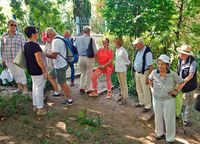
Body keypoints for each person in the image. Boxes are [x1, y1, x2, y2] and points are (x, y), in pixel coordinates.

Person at [148, 54, 185, 144]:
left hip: (168, 100)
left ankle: (170, 138)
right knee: (158, 117)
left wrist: (176, 90)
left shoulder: (172, 74)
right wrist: (152, 89)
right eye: (159, 64)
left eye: (163, 64)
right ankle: (159, 133)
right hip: (156, 99)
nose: (160, 66)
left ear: (167, 65)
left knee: (169, 119)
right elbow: (149, 79)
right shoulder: (154, 72)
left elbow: (182, 82)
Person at [45, 28, 73, 105]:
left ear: (50, 34)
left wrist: (45, 54)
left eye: (47, 36)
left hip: (60, 65)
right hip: (62, 63)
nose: (48, 37)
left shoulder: (56, 41)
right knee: (50, 75)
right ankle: (57, 91)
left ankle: (69, 100)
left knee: (62, 83)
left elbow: (54, 56)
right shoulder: (60, 38)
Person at [24, 26, 48, 115]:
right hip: (37, 70)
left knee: (35, 87)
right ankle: (40, 108)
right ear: (33, 34)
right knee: (39, 89)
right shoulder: (35, 45)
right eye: (36, 33)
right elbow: (39, 60)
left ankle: (35, 105)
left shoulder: (26, 44)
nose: (37, 34)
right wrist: (44, 70)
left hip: (31, 69)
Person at [1, 19, 28, 94]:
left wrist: (25, 58)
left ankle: (25, 89)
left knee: (21, 73)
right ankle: (19, 88)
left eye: (15, 25)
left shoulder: (20, 35)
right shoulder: (4, 36)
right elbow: (2, 48)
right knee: (14, 74)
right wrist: (3, 60)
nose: (14, 26)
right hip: (8, 59)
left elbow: (24, 47)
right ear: (8, 25)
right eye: (12, 25)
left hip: (18, 59)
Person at [177, 44, 197, 126]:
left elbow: (191, 75)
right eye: (180, 53)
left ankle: (186, 119)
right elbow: (178, 71)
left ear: (187, 54)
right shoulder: (179, 59)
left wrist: (182, 82)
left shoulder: (193, 61)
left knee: (188, 103)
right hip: (180, 83)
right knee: (178, 100)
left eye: (182, 53)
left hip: (189, 86)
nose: (180, 54)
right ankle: (177, 114)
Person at [74, 26, 97, 94]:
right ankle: (88, 89)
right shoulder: (91, 39)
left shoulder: (77, 38)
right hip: (89, 58)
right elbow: (95, 51)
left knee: (82, 73)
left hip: (80, 57)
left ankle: (81, 88)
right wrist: (96, 58)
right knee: (89, 73)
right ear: (89, 32)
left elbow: (75, 47)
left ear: (83, 31)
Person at [132, 38, 153, 112]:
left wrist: (149, 77)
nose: (135, 46)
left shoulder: (147, 52)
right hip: (137, 73)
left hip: (144, 74)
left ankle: (147, 105)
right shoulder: (138, 50)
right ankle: (141, 102)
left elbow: (151, 66)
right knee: (139, 89)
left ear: (141, 44)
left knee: (145, 90)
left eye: (136, 44)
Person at [114, 38, 130, 105]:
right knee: (121, 84)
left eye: (115, 42)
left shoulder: (123, 51)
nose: (114, 44)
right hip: (118, 69)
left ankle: (125, 98)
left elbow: (127, 61)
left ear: (118, 43)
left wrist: (125, 68)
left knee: (124, 84)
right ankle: (122, 96)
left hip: (122, 69)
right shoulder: (117, 50)